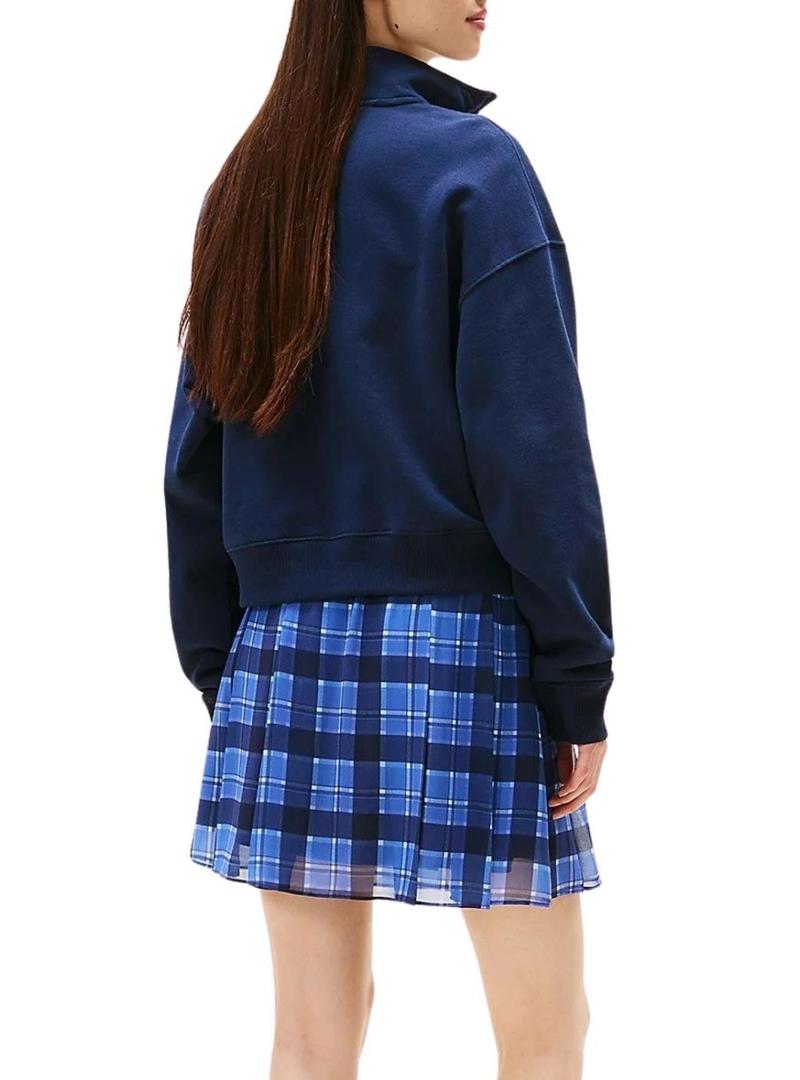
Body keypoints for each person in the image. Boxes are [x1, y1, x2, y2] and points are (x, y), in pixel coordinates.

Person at [164, 2, 615, 1077]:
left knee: (313, 1040)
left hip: (283, 652)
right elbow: (534, 450)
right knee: (546, 1036)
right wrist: (576, 677)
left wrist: (226, 667)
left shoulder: (252, 183)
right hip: (466, 646)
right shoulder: (475, 169)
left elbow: (193, 465)